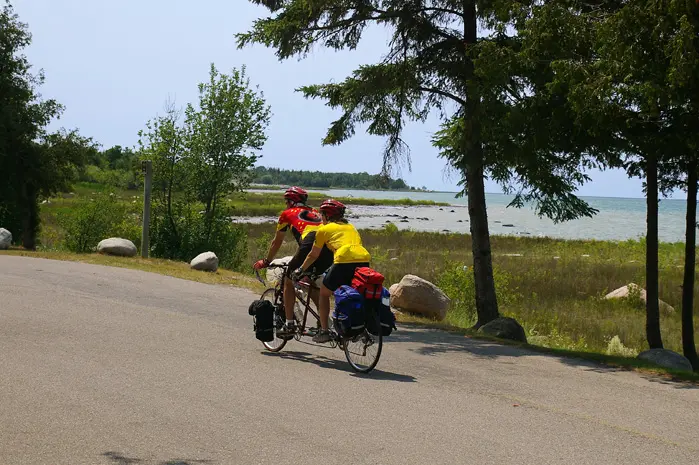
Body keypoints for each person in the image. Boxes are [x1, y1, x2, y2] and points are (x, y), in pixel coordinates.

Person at [253, 187, 334, 337]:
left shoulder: (286, 214)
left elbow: (276, 242)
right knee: (312, 281)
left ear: (291, 201)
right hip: (329, 249)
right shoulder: (316, 211)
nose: (285, 205)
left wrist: (267, 261)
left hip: (310, 246)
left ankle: (289, 324)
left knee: (288, 281)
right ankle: (324, 324)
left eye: (286, 201)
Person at [295, 199, 371, 343]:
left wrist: (300, 269)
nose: (321, 218)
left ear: (327, 216)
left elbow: (313, 255)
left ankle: (324, 331)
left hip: (343, 260)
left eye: (322, 214)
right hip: (364, 259)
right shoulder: (351, 227)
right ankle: (358, 326)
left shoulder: (323, 230)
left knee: (324, 293)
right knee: (354, 292)